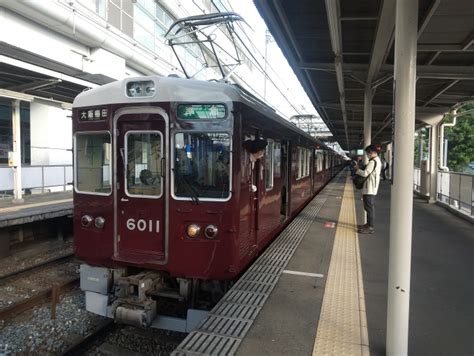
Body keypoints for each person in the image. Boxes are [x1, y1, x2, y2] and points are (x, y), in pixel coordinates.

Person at [354, 144, 382, 234]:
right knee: (368, 207)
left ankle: (370, 227)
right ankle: (368, 224)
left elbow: (365, 173)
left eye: (368, 153)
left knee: (369, 208)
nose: (367, 155)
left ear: (372, 152)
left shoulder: (373, 162)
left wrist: (357, 169)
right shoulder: (375, 161)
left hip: (370, 188)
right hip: (370, 187)